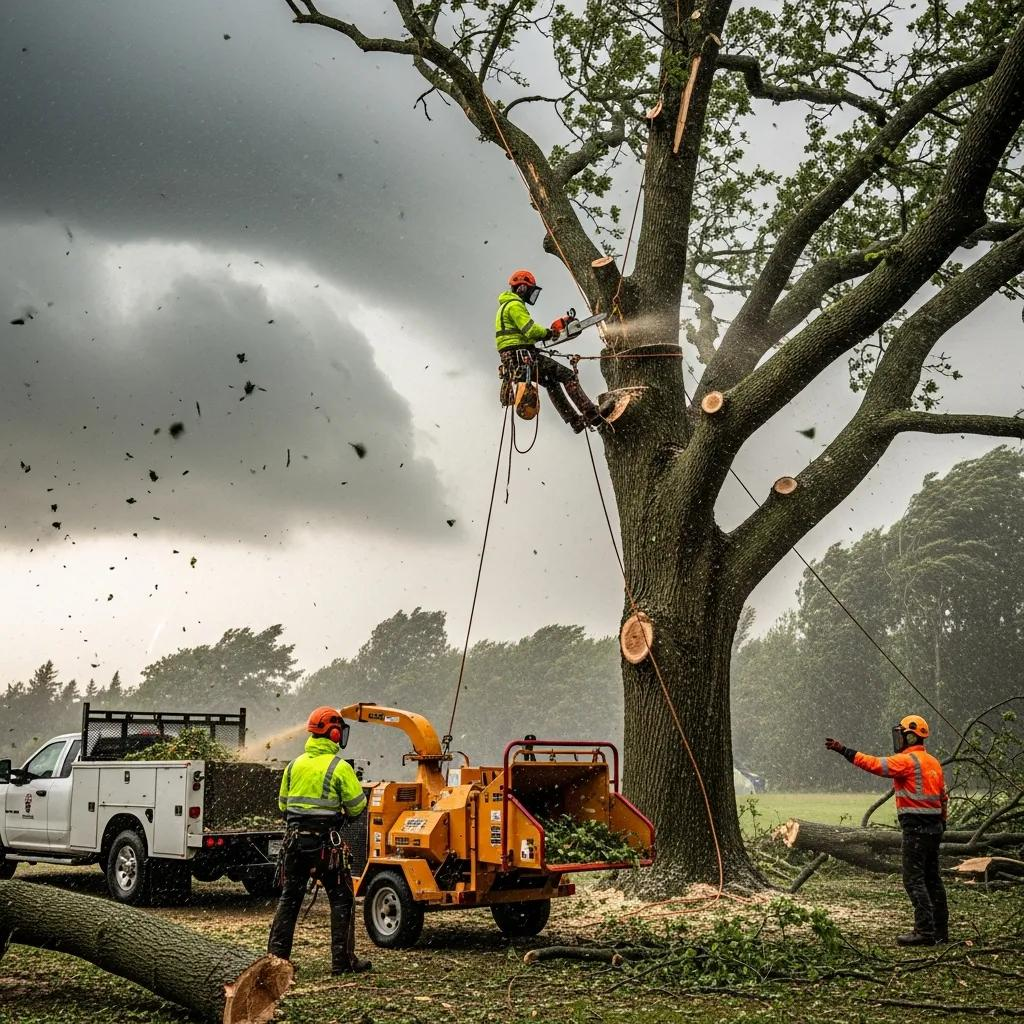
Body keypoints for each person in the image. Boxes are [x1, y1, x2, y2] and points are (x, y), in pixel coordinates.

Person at [825, 715, 949, 946]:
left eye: (901, 734)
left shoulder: (907, 761)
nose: (898, 739)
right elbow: (943, 797)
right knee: (932, 879)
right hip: (935, 827)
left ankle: (925, 931)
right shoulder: (933, 762)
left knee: (914, 879)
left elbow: (874, 764)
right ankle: (941, 930)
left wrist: (844, 750)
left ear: (910, 736)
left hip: (916, 828)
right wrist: (942, 822)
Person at [268, 706, 371, 973]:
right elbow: (358, 807)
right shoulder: (339, 767)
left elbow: (282, 805)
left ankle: (276, 961)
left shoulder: (294, 765)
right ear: (334, 733)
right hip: (326, 846)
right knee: (341, 898)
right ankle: (342, 961)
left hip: (293, 843)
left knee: (290, 899)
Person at [496, 269, 605, 433]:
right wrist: (548, 333)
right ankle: (591, 414)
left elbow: (520, 336)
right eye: (529, 290)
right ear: (522, 288)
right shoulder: (514, 305)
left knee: (551, 382)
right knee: (567, 376)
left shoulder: (503, 308)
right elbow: (530, 330)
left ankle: (575, 421)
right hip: (523, 356)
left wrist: (545, 335)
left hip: (514, 360)